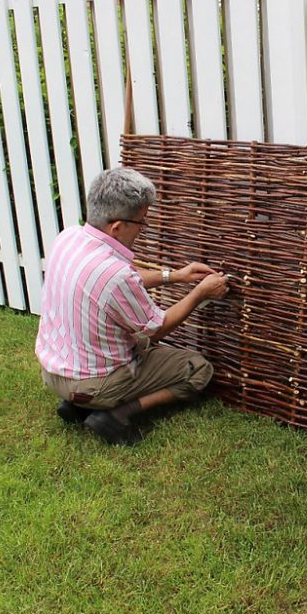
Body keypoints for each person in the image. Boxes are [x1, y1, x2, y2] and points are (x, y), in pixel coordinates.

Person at [35, 167, 229, 445]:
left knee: (138, 345)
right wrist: (200, 294)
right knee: (197, 369)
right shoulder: (114, 275)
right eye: (141, 222)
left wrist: (175, 276)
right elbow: (156, 328)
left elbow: (120, 281)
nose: (142, 228)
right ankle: (115, 414)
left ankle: (78, 404)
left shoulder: (69, 238)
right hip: (93, 383)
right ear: (117, 227)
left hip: (54, 373)